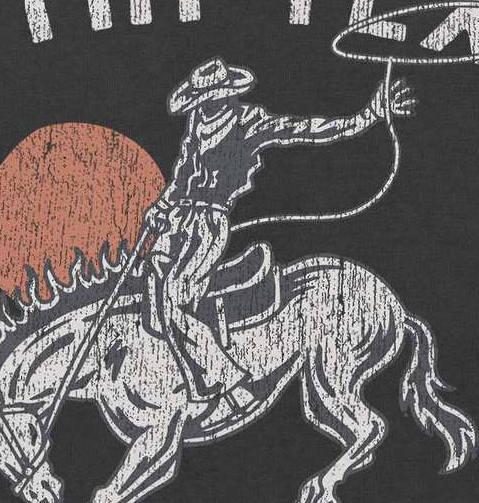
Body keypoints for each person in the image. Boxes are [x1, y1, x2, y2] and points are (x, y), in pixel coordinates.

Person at [142, 58, 414, 410]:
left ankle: (225, 377)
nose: (206, 104)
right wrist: (161, 208)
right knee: (150, 288)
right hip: (179, 220)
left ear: (225, 95)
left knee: (175, 299)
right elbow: (182, 175)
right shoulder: (197, 124)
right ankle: (170, 371)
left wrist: (366, 116)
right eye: (202, 99)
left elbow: (307, 129)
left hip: (208, 223)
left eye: (211, 97)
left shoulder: (249, 123)